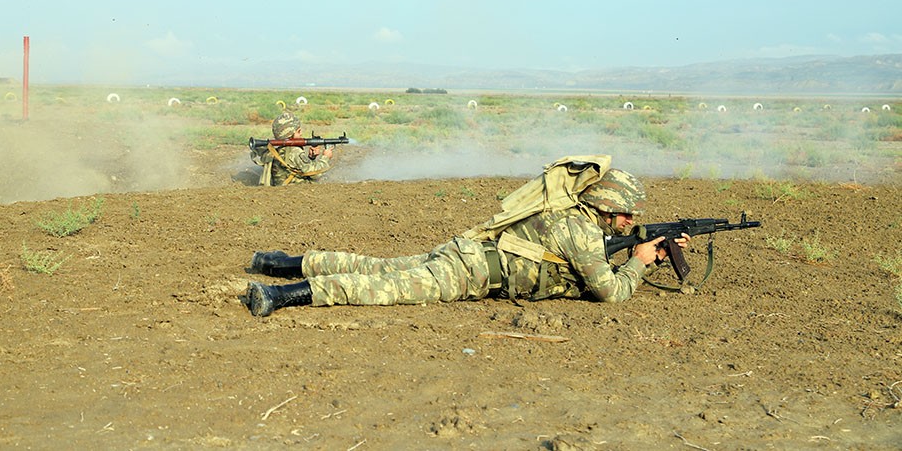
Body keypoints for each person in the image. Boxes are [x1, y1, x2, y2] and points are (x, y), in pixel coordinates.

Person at [244, 167, 690, 316]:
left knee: (378, 266)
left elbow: (585, 252)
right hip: (469, 273)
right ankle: (280, 295)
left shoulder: (571, 214)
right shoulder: (583, 231)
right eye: (626, 214)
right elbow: (609, 293)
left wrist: (644, 247)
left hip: (468, 254)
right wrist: (638, 262)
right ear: (605, 207)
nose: (630, 221)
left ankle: (278, 262)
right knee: (385, 286)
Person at [251, 111, 335, 186]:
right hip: (295, 190)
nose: (301, 134)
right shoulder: (295, 152)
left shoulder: (277, 151)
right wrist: (326, 157)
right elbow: (316, 174)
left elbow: (297, 167)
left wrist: (311, 158)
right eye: (299, 131)